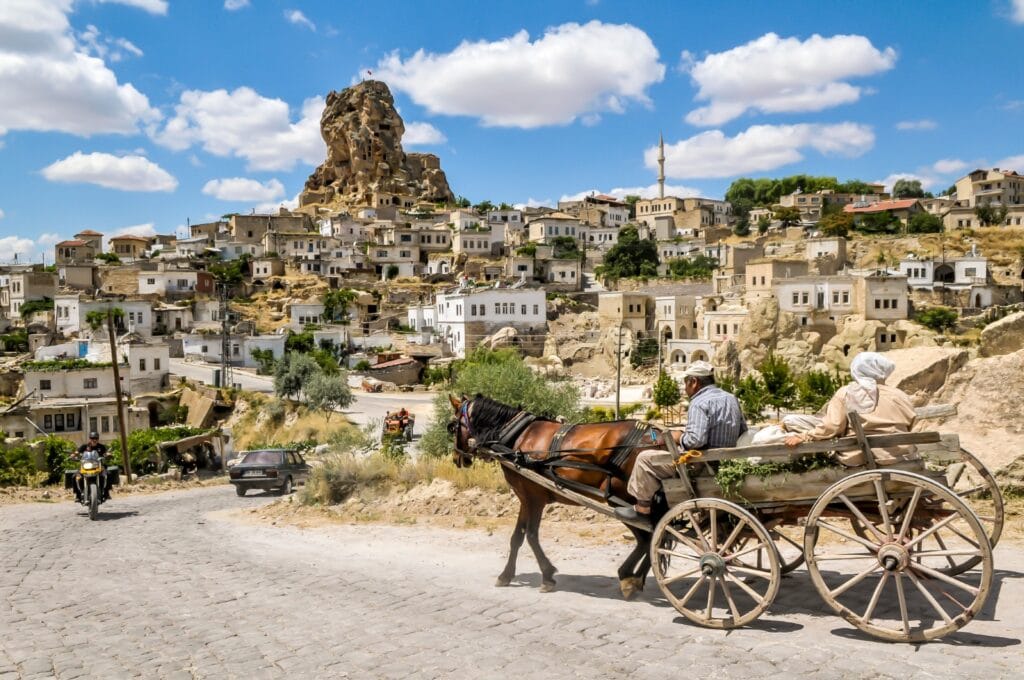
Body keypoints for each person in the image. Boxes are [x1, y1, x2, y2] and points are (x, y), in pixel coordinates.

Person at [615, 361, 747, 524]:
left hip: (702, 465)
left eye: (686, 383)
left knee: (644, 458)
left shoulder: (699, 402)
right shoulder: (731, 398)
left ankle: (642, 509)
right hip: (726, 462)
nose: (685, 388)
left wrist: (679, 437)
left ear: (694, 382)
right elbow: (743, 431)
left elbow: (695, 440)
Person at [784, 352, 918, 466]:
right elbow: (912, 425)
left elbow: (833, 426)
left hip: (861, 457)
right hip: (903, 455)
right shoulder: (901, 395)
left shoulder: (847, 393)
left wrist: (804, 436)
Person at [73, 431, 111, 501]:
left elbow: (106, 452)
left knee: (108, 474)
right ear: (89, 439)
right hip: (86, 466)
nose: (94, 440)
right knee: (75, 476)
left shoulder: (101, 447)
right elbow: (77, 452)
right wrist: (73, 455)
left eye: (96, 438)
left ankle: (106, 493)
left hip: (98, 466)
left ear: (98, 439)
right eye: (92, 438)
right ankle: (78, 495)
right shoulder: (84, 446)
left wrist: (108, 454)